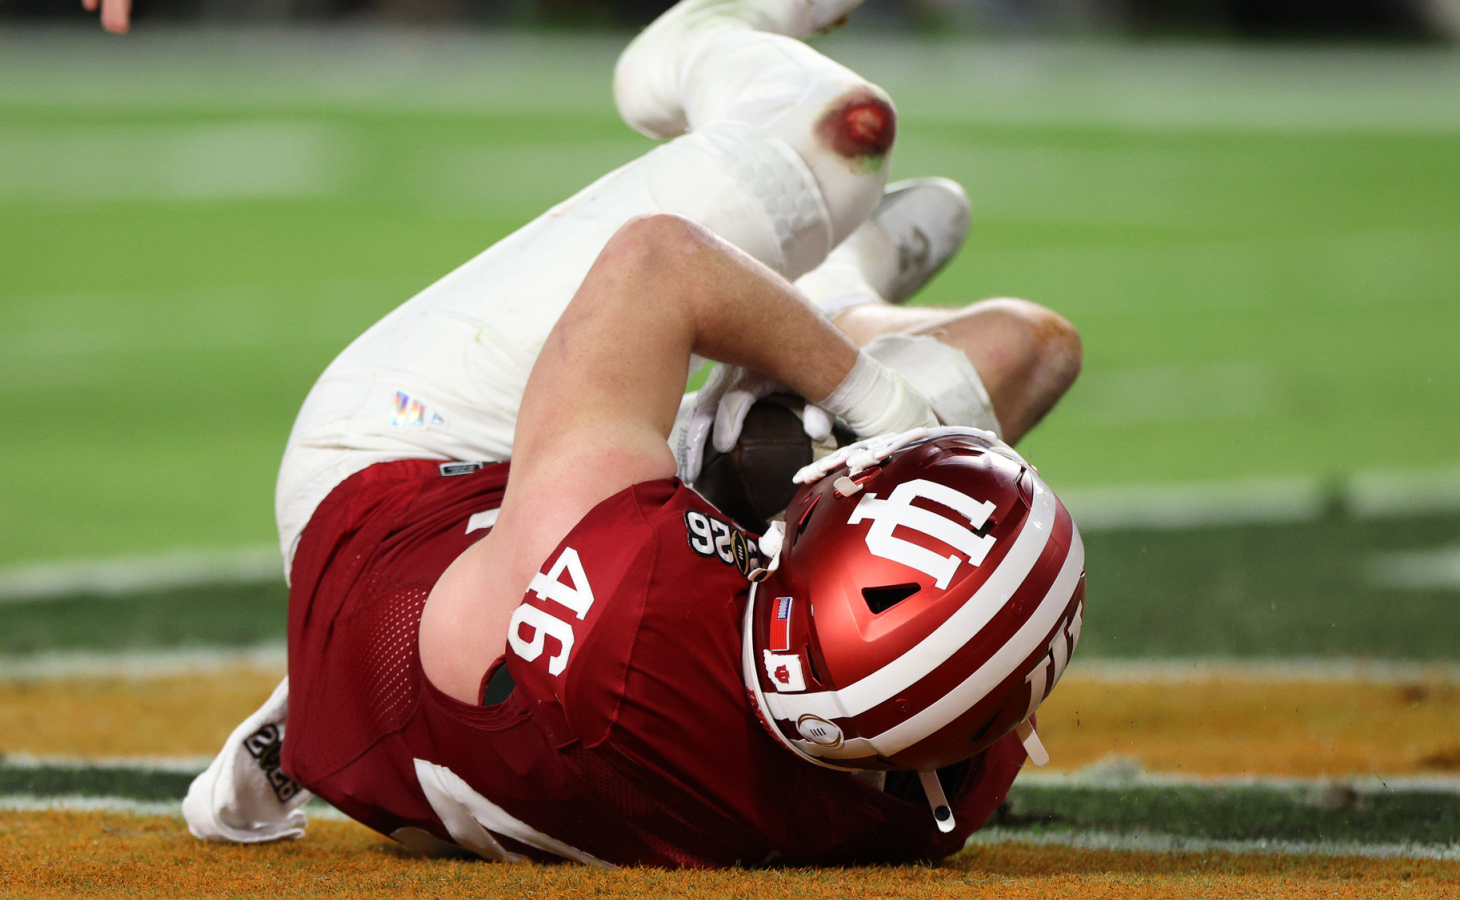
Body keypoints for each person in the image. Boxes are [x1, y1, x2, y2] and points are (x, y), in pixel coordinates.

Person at [166, 0, 1085, 868]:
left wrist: (880, 414)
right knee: (1035, 353)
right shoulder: (936, 787)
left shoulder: (632, 612)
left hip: (397, 471)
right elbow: (1031, 351)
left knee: (831, 141)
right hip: (455, 703)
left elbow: (657, 263)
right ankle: (839, 296)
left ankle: (701, 45)